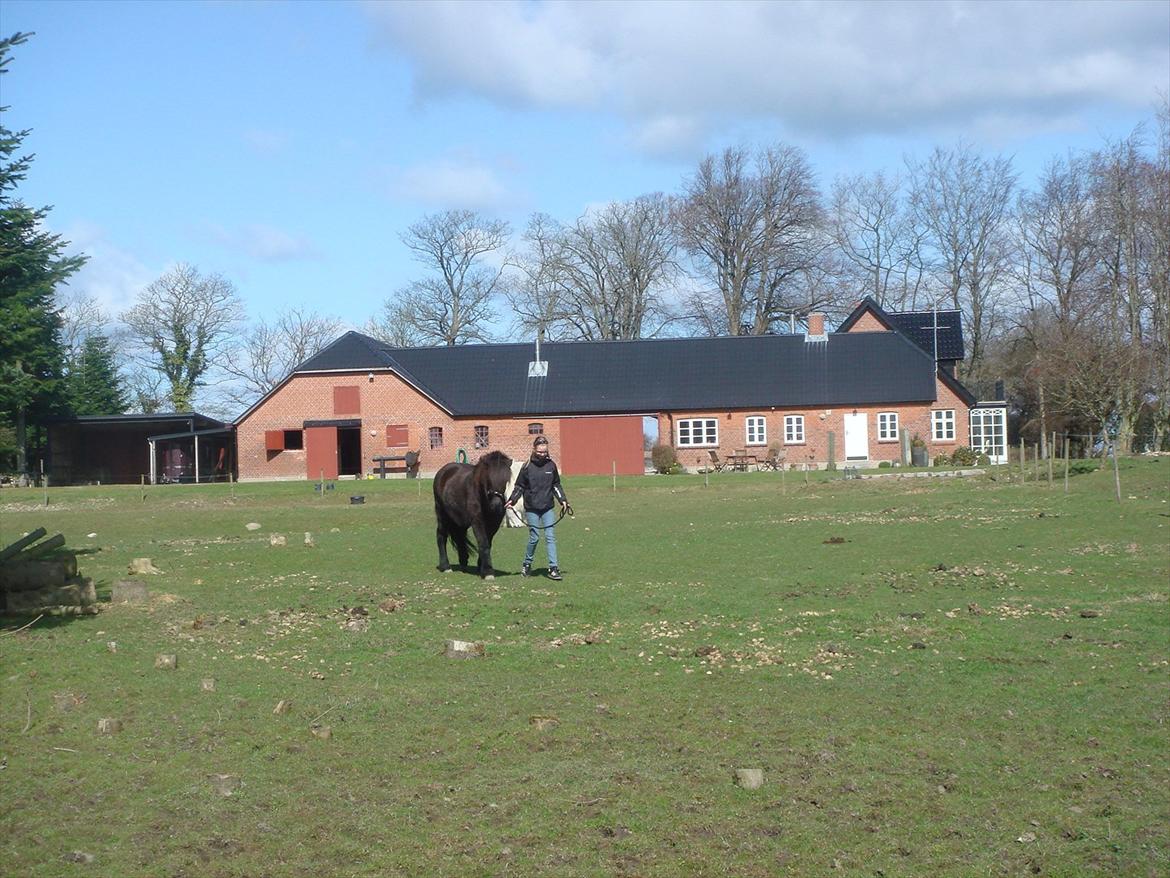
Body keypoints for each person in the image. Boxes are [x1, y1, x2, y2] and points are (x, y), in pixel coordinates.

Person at [506, 435, 572, 580]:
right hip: (532, 508)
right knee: (534, 538)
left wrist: (563, 500)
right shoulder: (527, 467)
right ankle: (527, 564)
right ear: (534, 449)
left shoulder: (551, 465)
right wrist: (512, 500)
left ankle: (553, 568)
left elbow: (556, 485)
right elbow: (520, 486)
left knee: (550, 537)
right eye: (540, 452)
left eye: (545, 452)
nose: (543, 455)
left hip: (547, 506)